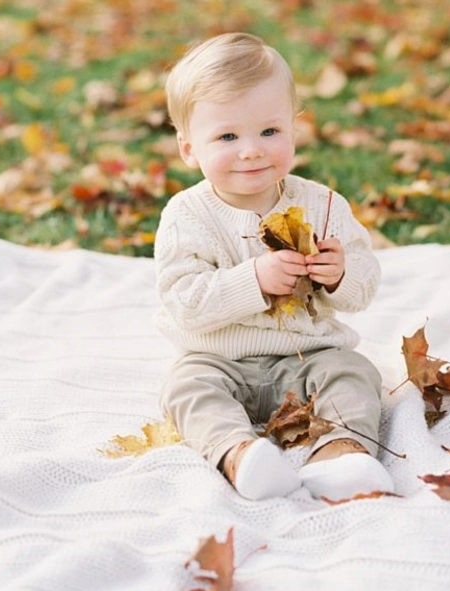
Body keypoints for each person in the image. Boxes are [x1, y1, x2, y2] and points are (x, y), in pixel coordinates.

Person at [154, 32, 394, 501]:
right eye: (227, 136)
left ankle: (340, 453)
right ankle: (240, 455)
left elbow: (365, 284)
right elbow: (183, 301)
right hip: (218, 359)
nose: (252, 150)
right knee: (185, 388)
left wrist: (340, 275)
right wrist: (254, 281)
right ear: (189, 149)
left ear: (293, 130)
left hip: (309, 357)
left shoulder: (322, 204)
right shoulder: (187, 215)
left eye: (269, 132)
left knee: (354, 373)